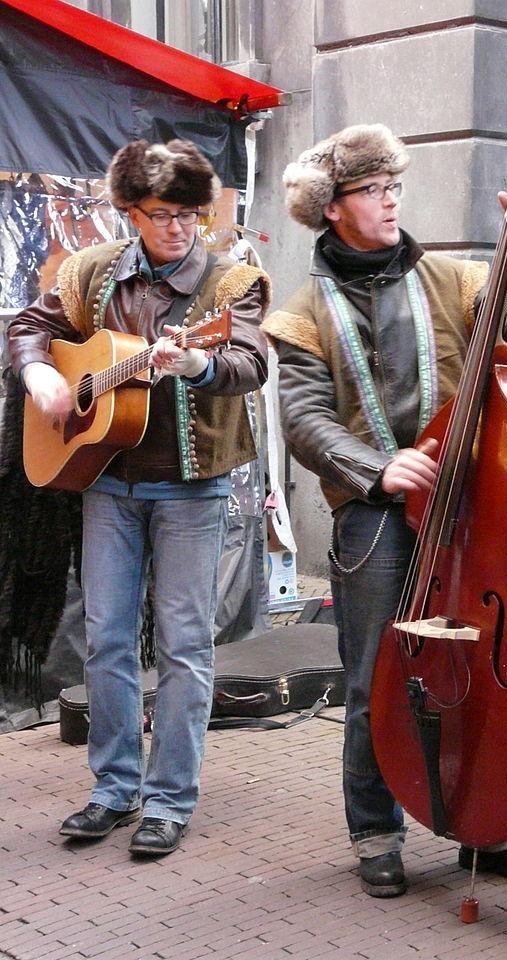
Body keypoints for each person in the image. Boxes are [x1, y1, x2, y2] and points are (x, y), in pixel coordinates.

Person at [262, 124, 507, 899]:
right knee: (379, 674)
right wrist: (379, 468)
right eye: (371, 189)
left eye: (394, 185)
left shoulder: (454, 280)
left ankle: (486, 824)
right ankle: (375, 829)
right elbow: (302, 418)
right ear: (333, 208)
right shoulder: (301, 313)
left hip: (468, 501)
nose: (391, 198)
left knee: (479, 664)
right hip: (375, 512)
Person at [7, 139, 270, 856]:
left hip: (193, 486)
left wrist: (194, 361)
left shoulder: (230, 283)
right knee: (108, 638)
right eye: (162, 214)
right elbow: (31, 328)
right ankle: (113, 788)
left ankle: (169, 800)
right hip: (106, 482)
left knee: (185, 644)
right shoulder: (92, 272)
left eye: (190, 214)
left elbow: (248, 362)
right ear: (130, 212)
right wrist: (41, 379)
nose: (179, 228)